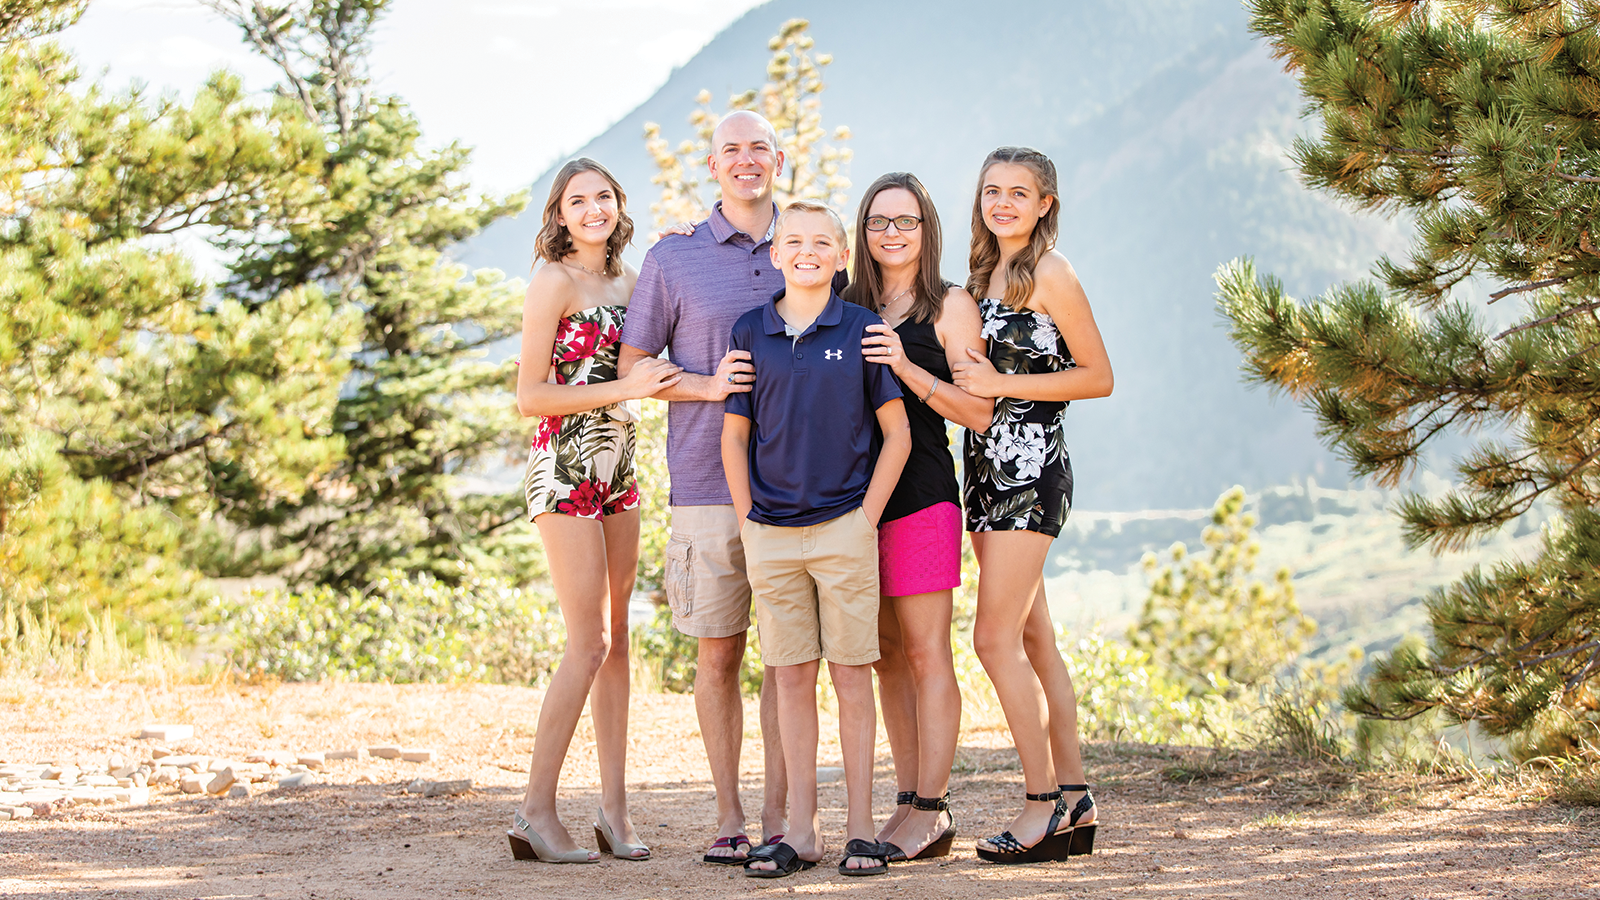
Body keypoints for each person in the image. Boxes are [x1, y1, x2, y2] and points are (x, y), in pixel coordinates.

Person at [617, 110, 793, 863]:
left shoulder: (812, 243)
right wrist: (705, 383)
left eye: (759, 148)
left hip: (803, 490)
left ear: (779, 160)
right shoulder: (672, 259)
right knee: (718, 655)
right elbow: (630, 372)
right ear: (713, 166)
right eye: (732, 150)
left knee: (791, 659)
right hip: (703, 486)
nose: (746, 160)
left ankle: (786, 821)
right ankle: (730, 815)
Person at [722, 200, 912, 878]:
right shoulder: (750, 331)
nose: (806, 251)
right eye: (793, 241)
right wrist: (748, 519)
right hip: (771, 535)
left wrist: (864, 520)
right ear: (775, 253)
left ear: (840, 256)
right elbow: (735, 435)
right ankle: (802, 832)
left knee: (852, 678)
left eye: (821, 242)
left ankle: (861, 830)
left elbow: (898, 435)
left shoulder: (860, 328)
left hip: (843, 530)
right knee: (790, 678)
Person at [508, 158, 684, 864]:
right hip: (565, 467)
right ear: (558, 215)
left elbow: (653, 371)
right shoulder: (553, 282)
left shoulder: (632, 281)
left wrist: (682, 248)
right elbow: (531, 396)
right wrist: (624, 390)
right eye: (576, 200)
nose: (592, 209)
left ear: (618, 206)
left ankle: (614, 811)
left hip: (619, 471)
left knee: (617, 641)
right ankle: (534, 812)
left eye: (602, 197)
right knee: (586, 644)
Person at [951, 146, 1113, 864]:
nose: (1004, 203)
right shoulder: (982, 277)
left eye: (1020, 192)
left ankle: (1040, 806)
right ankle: (1075, 800)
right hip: (983, 472)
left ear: (1046, 203)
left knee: (993, 640)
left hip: (1032, 469)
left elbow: (1098, 377)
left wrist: (1003, 386)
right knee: (1034, 639)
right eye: (993, 190)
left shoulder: (1052, 271)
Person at [844, 173, 991, 862]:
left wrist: (906, 366)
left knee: (929, 653)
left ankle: (932, 810)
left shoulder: (950, 305)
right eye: (879, 221)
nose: (892, 233)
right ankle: (906, 803)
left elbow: (979, 411)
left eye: (905, 221)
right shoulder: (846, 302)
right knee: (886, 658)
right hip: (854, 503)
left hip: (923, 497)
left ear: (926, 229)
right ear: (864, 231)